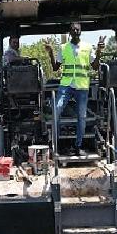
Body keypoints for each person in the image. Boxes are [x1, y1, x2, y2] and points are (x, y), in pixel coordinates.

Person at [44, 23, 105, 156]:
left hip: (82, 87)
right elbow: (55, 67)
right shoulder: (63, 47)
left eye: (78, 29)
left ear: (81, 32)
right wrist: (50, 53)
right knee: (57, 110)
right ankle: (57, 144)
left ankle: (78, 146)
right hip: (66, 85)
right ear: (70, 32)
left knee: (82, 117)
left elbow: (95, 66)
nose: (76, 31)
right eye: (73, 29)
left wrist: (99, 52)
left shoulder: (88, 47)